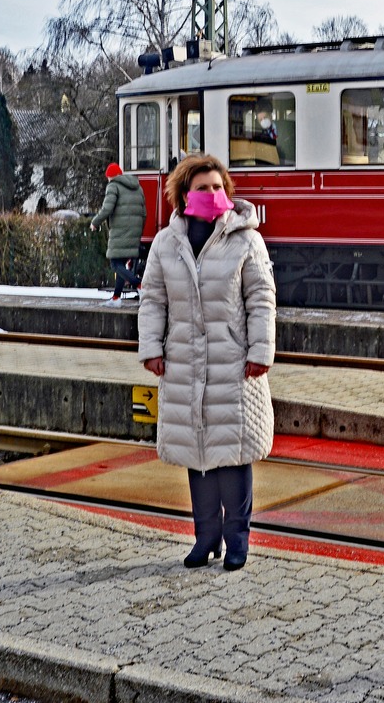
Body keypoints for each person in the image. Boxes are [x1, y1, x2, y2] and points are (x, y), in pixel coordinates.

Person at [137, 154, 275, 572]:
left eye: (218, 187)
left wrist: (260, 352)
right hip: (184, 362)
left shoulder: (246, 239)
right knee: (196, 456)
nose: (213, 194)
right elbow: (152, 299)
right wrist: (152, 348)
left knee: (231, 456)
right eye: (203, 188)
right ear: (184, 195)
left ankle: (238, 541)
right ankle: (204, 538)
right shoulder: (166, 242)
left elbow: (262, 299)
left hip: (232, 363)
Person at [90, 162, 146, 306]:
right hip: (134, 231)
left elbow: (107, 208)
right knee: (121, 264)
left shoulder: (113, 186)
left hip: (120, 232)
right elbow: (144, 213)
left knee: (115, 264)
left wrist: (95, 222)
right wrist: (138, 231)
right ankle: (116, 298)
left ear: (110, 176)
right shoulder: (137, 187)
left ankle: (139, 284)